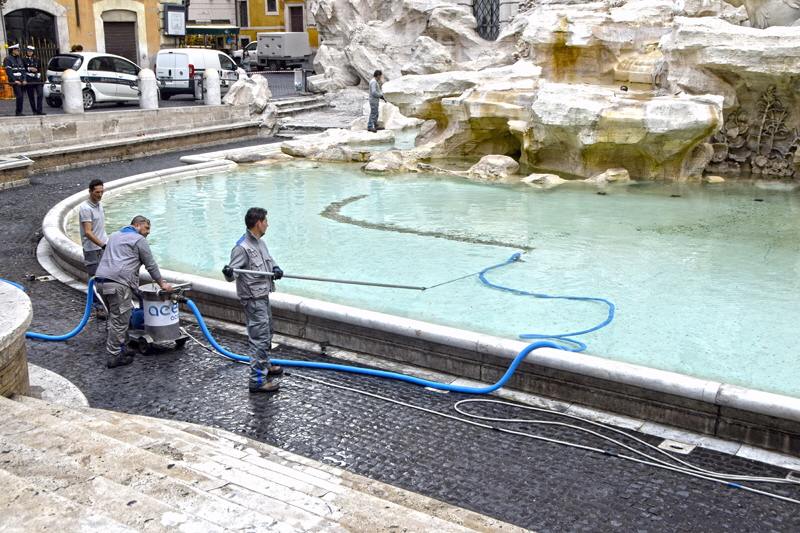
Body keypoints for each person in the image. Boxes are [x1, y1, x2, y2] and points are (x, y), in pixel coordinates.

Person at [95, 216, 173, 369]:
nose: (148, 232)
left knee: (117, 318)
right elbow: (150, 264)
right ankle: (114, 356)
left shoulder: (115, 236)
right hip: (118, 284)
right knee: (119, 321)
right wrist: (162, 284)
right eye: (147, 228)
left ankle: (124, 349)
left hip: (101, 282)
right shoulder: (138, 240)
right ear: (137, 225)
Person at [222, 207, 284, 393]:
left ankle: (265, 365)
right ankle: (257, 381)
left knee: (268, 332)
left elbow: (269, 259)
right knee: (259, 338)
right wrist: (228, 272)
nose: (267, 224)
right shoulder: (242, 248)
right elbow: (231, 275)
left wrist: (276, 268)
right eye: (266, 221)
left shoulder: (260, 243)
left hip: (263, 295)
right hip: (252, 299)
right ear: (258, 223)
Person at [79, 179, 108, 319]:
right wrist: (102, 245)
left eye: (102, 191)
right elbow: (88, 232)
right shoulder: (86, 208)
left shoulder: (99, 204)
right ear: (90, 191)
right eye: (97, 192)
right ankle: (99, 307)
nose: (100, 194)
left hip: (102, 246)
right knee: (95, 279)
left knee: (105, 277)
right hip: (93, 249)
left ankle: (106, 304)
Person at [3, 44, 28, 116]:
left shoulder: (19, 60)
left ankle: (20, 111)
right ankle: (18, 111)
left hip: (21, 80)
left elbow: (23, 71)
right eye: (17, 50)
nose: (18, 52)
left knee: (22, 96)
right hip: (14, 80)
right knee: (19, 95)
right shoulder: (8, 59)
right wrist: (14, 80)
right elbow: (9, 71)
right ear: (13, 50)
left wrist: (24, 79)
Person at [22, 45, 45, 115]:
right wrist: (29, 69)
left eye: (30, 51)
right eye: (28, 51)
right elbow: (22, 69)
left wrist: (38, 74)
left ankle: (39, 110)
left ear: (33, 52)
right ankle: (34, 110)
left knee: (40, 93)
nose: (29, 52)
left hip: (36, 78)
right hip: (28, 78)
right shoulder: (23, 59)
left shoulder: (37, 60)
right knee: (31, 96)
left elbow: (40, 68)